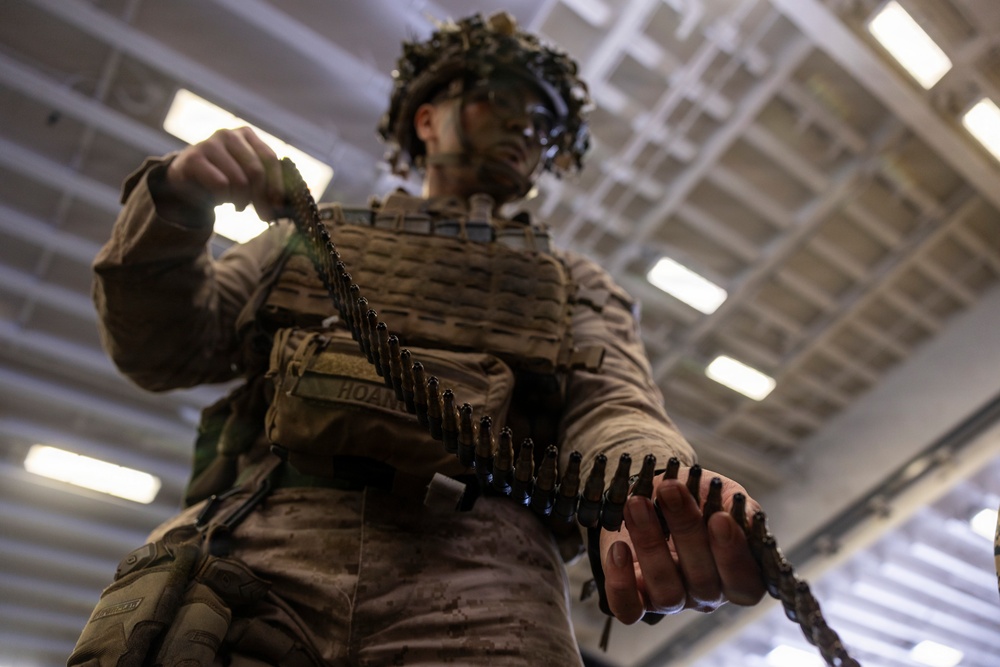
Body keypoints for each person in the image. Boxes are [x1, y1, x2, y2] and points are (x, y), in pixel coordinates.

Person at [69, 13, 765, 667]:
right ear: (427, 118)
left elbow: (613, 404)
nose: (528, 125)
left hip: (484, 571)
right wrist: (173, 206)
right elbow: (162, 348)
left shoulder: (571, 279)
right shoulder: (305, 238)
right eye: (502, 97)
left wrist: (650, 485)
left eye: (547, 121)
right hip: (259, 545)